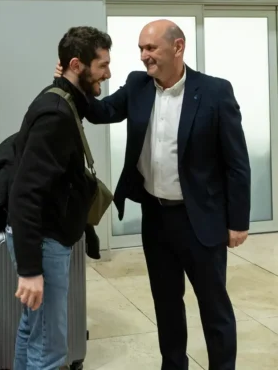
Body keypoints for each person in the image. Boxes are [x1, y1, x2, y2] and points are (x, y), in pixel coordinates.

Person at [55, 19, 250, 370]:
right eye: (141, 49)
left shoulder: (215, 92)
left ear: (178, 47)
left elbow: (237, 163)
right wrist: (70, 82)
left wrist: (238, 221)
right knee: (166, 304)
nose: (144, 56)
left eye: (151, 48)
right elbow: (100, 112)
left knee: (214, 307)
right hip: (156, 219)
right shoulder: (138, 85)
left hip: (200, 219)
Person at [8, 26, 112, 370]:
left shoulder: (63, 99)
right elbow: (25, 193)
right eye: (102, 65)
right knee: (50, 347)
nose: (108, 74)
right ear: (77, 65)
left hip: (44, 237)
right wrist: (30, 270)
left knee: (33, 328)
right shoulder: (56, 113)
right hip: (44, 240)